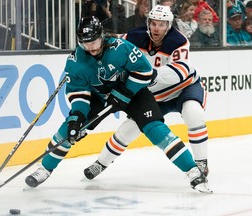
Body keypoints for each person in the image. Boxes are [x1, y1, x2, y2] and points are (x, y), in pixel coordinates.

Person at [25, 16, 211, 193]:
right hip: (100, 95)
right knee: (70, 128)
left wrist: (125, 92)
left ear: (101, 36)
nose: (90, 47)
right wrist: (78, 116)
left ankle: (193, 171)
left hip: (133, 92)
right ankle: (44, 169)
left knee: (155, 128)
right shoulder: (75, 62)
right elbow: (79, 93)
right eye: (85, 43)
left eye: (94, 41)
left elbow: (145, 71)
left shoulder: (121, 47)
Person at [83, 6, 212, 193]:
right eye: (153, 23)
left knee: (193, 113)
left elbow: (179, 73)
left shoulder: (178, 41)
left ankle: (200, 163)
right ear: (148, 23)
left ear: (168, 26)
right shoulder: (134, 36)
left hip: (183, 88)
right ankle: (100, 163)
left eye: (161, 24)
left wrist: (137, 80)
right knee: (129, 129)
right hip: (153, 94)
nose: (156, 28)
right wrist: (94, 40)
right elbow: (111, 44)